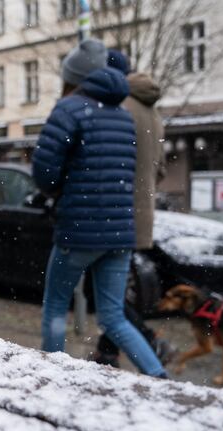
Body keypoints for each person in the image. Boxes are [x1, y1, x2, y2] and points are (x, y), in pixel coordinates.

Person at [33, 39, 167, 378]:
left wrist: (60, 183)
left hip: (79, 229)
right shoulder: (122, 114)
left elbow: (44, 173)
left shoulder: (68, 109)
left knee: (54, 308)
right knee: (113, 316)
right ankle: (157, 375)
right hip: (120, 231)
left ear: (73, 77)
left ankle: (52, 375)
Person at [93, 50, 176, 369]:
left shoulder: (118, 107)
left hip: (113, 209)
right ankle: (107, 354)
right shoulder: (153, 112)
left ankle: (150, 341)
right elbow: (161, 169)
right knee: (114, 291)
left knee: (107, 297)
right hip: (141, 212)